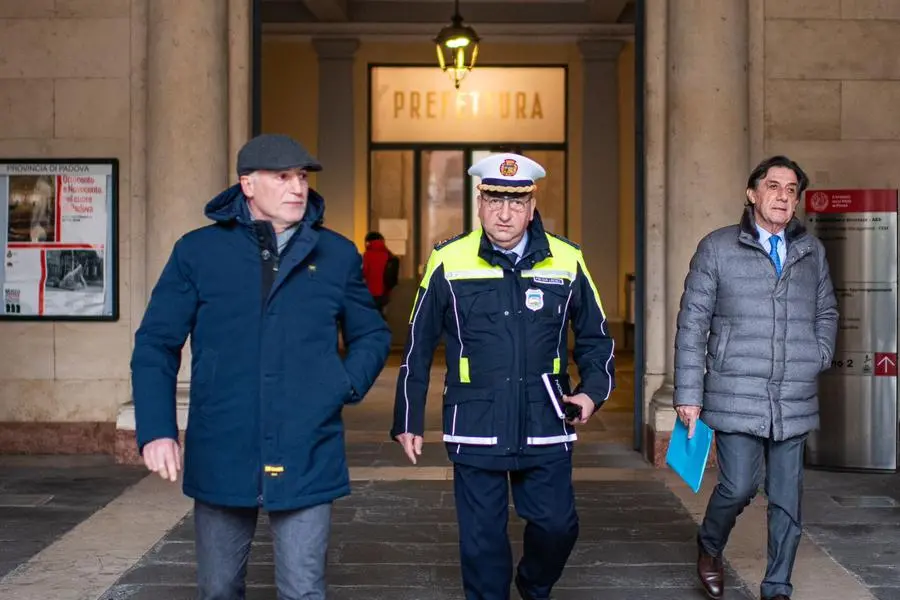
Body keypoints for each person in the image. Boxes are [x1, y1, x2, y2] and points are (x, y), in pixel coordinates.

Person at [131, 133, 391, 600]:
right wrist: (157, 429)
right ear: (247, 184)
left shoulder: (336, 254)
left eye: (303, 177)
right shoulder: (198, 252)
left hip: (307, 443)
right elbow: (156, 342)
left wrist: (343, 385)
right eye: (283, 176)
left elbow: (371, 333)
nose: (298, 188)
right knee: (219, 588)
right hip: (223, 444)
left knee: (303, 590)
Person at [390, 153, 615, 600]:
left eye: (516, 202)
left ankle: (533, 585)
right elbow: (416, 346)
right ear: (479, 202)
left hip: (546, 419)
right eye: (495, 200)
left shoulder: (567, 260)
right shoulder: (448, 260)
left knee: (557, 525)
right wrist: (408, 419)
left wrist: (592, 393)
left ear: (532, 206)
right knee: (481, 546)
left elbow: (597, 337)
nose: (504, 212)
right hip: (476, 423)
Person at [673, 155, 838, 600]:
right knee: (739, 484)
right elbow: (693, 323)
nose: (783, 196)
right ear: (752, 194)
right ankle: (709, 545)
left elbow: (826, 311)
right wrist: (688, 393)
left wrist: (817, 354)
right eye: (773, 186)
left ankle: (777, 585)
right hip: (735, 389)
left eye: (791, 190)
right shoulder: (718, 247)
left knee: (787, 499)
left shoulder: (811, 250)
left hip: (793, 393)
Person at [362, 230, 398, 314]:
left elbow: (364, 272)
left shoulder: (367, 255)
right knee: (381, 313)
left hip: (371, 292)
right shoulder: (388, 254)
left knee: (372, 314)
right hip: (385, 291)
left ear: (368, 242)